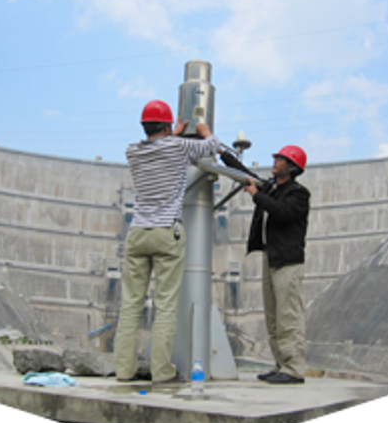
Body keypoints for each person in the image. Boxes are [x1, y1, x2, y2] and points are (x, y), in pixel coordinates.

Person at [114, 99, 221, 383]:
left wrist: (172, 133)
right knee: (165, 305)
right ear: (166, 125)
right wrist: (205, 131)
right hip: (166, 232)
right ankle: (161, 371)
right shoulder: (178, 147)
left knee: (131, 305)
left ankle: (124, 370)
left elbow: (159, 148)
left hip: (137, 233)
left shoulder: (132, 151)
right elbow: (211, 147)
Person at [243, 145, 310, 384]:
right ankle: (281, 364)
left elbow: (281, 212)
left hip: (287, 261)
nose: (274, 162)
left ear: (291, 167)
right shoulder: (272, 189)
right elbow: (245, 174)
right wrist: (222, 152)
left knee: (287, 316)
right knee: (273, 317)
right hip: (271, 257)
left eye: (280, 159)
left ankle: (293, 369)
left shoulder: (299, 194)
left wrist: (256, 195)